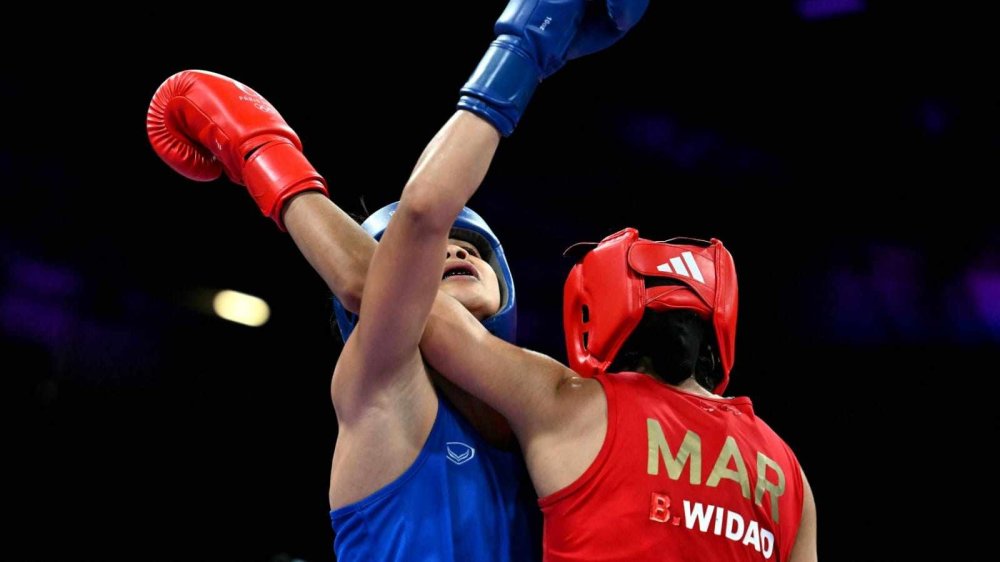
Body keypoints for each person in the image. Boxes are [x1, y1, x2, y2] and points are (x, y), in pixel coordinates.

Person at [357, 0, 819, 560]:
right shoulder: (789, 475)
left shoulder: (570, 403)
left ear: (597, 311)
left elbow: (400, 263)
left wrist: (278, 175)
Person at [146, 71, 539, 560]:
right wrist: (262, 153)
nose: (456, 254)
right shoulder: (381, 380)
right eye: (435, 255)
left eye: (469, 249)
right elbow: (370, 284)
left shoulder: (547, 409)